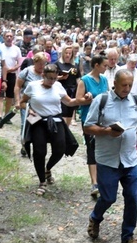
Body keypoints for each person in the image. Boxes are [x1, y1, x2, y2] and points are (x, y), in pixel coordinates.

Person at [84, 69, 137, 243]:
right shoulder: (102, 100)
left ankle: (127, 236)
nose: (127, 89)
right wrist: (106, 131)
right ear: (115, 84)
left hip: (130, 159)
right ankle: (95, 217)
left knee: (132, 197)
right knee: (108, 197)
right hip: (107, 159)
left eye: (130, 85)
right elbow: (88, 126)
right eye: (123, 85)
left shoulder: (136, 101)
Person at [18, 64, 86, 195]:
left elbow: (69, 102)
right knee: (39, 151)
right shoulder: (33, 86)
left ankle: (48, 168)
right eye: (50, 78)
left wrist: (82, 101)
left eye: (55, 78)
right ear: (43, 75)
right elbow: (22, 102)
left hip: (56, 120)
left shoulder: (58, 86)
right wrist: (29, 109)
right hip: (37, 120)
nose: (52, 81)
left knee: (60, 148)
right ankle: (42, 181)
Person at [75, 54, 109, 198]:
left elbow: (107, 96)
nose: (106, 68)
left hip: (104, 118)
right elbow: (78, 100)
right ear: (96, 65)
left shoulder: (105, 80)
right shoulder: (84, 80)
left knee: (103, 149)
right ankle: (94, 182)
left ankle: (103, 180)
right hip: (89, 118)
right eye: (104, 65)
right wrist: (89, 99)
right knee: (92, 149)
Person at [15, 52, 47, 155]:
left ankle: (36, 145)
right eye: (40, 64)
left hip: (41, 105)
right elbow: (17, 86)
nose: (42, 66)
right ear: (35, 62)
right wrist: (17, 101)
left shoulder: (45, 73)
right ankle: (25, 145)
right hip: (27, 104)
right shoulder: (27, 71)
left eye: (44, 64)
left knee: (38, 125)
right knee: (27, 123)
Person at [0, 30, 23, 122]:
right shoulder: (0, 47)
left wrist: (13, 68)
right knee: (0, 95)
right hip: (0, 73)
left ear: (13, 38)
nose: (9, 38)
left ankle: (6, 115)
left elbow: (19, 62)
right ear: (4, 37)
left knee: (9, 96)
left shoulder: (16, 49)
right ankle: (0, 116)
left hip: (12, 74)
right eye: (7, 36)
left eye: (10, 36)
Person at [56, 46, 79, 125]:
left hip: (72, 90)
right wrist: (61, 77)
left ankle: (67, 129)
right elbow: (52, 77)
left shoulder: (75, 65)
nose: (68, 55)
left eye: (70, 53)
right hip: (62, 89)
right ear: (63, 53)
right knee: (63, 111)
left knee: (70, 111)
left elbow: (78, 78)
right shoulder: (58, 64)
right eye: (66, 53)